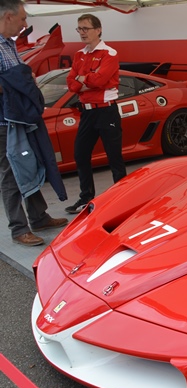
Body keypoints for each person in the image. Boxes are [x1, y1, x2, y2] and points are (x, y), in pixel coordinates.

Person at [0, 0, 67, 246]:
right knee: (12, 173)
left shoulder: (8, 44)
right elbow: (12, 80)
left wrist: (24, 79)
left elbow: (18, 76)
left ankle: (39, 217)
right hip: (5, 123)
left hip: (20, 119)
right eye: (22, 18)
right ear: (8, 17)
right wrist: (20, 82)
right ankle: (18, 228)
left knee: (31, 163)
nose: (24, 23)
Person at [65, 13, 125, 214]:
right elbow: (72, 84)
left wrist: (83, 80)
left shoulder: (109, 53)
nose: (82, 33)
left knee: (114, 157)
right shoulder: (79, 55)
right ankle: (86, 198)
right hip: (87, 113)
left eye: (86, 28)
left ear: (98, 30)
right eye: (79, 29)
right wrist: (86, 79)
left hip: (106, 111)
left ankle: (122, 198)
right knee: (80, 154)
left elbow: (100, 81)